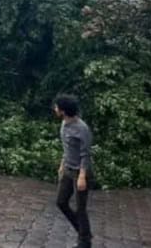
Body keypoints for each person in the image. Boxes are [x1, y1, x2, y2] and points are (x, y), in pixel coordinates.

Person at [54, 94, 93, 248]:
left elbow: (85, 154)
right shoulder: (64, 123)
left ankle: (84, 243)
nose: (55, 109)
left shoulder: (82, 128)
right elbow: (67, 148)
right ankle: (84, 231)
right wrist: (62, 165)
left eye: (57, 107)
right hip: (68, 170)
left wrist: (82, 176)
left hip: (80, 173)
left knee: (81, 208)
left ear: (63, 110)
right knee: (61, 202)